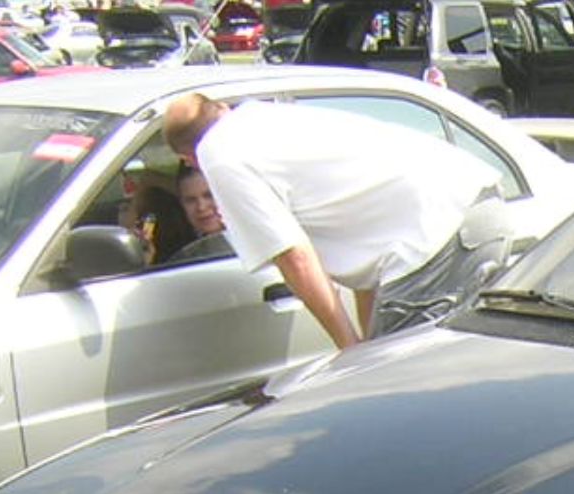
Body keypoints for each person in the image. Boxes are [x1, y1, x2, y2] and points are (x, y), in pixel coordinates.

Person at [163, 93, 506, 349]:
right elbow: (362, 237)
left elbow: (293, 257)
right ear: (220, 109)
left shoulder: (219, 154)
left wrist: (351, 352)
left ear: (188, 159)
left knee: (396, 398)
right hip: (477, 209)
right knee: (447, 383)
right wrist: (367, 340)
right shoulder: (263, 117)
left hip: (435, 239)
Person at [166, 164, 232, 264]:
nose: (201, 207)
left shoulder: (252, 241)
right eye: (190, 200)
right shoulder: (185, 256)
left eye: (209, 195)